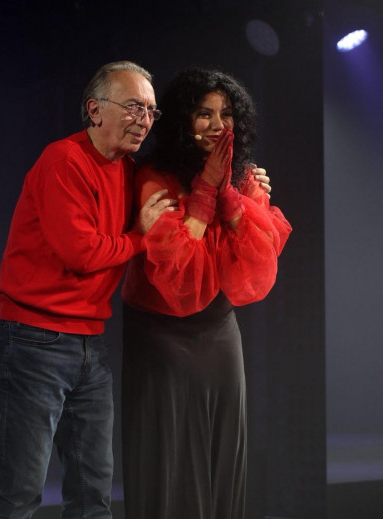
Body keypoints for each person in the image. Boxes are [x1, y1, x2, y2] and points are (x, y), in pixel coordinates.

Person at [0, 60, 175, 519]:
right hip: (33, 341)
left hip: (89, 344)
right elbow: (82, 253)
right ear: (95, 109)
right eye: (134, 107)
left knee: (93, 495)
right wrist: (139, 237)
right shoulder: (63, 160)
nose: (145, 120)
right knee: (18, 494)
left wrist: (243, 182)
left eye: (151, 111)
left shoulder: (127, 170)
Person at [120, 67, 292, 519]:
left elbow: (258, 262)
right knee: (170, 455)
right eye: (204, 114)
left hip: (218, 332)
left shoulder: (245, 178)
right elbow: (181, 274)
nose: (218, 125)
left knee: (222, 453)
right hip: (161, 335)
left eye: (226, 114)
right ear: (182, 120)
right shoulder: (154, 177)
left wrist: (228, 193)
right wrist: (202, 193)